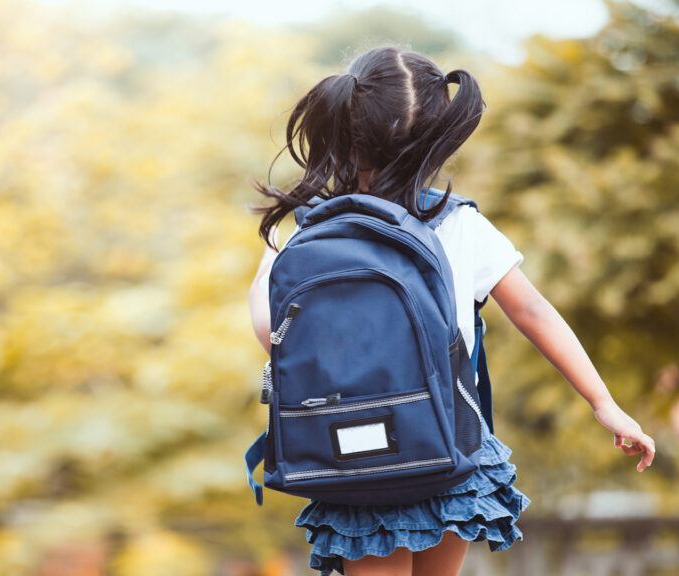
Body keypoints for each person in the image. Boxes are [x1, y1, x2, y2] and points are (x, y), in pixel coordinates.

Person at [247, 46, 656, 576]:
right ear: (436, 141)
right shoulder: (458, 225)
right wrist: (603, 402)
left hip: (350, 452)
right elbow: (532, 311)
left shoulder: (306, 231)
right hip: (447, 441)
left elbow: (271, 336)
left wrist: (269, 265)